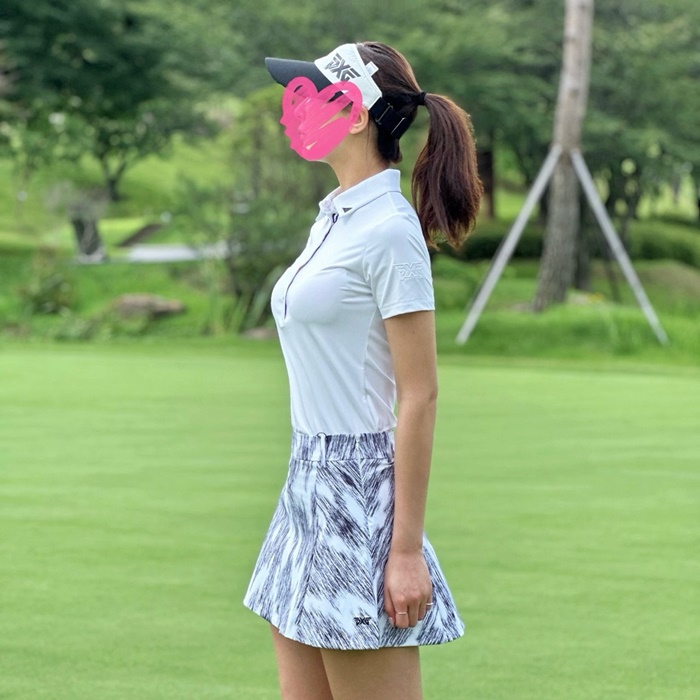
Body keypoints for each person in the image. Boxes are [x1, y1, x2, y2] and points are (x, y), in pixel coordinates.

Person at [243, 41, 482, 700]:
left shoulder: (389, 231)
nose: (295, 111)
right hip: (306, 484)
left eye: (311, 96)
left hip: (363, 496)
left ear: (353, 114)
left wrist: (404, 551)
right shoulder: (335, 218)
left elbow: (420, 394)